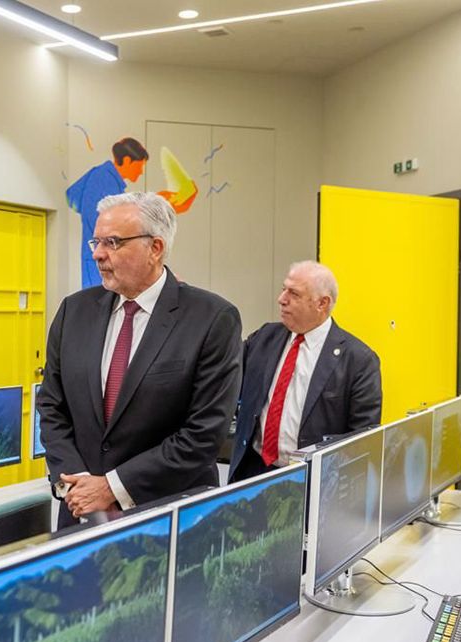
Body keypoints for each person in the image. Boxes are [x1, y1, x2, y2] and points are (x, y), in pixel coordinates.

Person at [38, 192, 242, 528]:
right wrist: (77, 482)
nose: (98, 254)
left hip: (168, 517)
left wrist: (112, 487)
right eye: (96, 242)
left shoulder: (211, 319)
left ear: (155, 248)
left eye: (113, 242)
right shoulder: (74, 312)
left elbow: (203, 434)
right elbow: (51, 406)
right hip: (81, 512)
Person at [228, 261, 382, 483]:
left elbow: (362, 440)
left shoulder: (358, 360)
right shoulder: (264, 338)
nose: (282, 299)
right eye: (284, 289)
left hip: (312, 480)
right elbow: (227, 380)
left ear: (322, 303)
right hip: (253, 470)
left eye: (294, 294)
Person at [66, 138, 149, 289]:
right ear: (127, 161)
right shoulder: (103, 180)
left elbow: (73, 196)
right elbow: (106, 226)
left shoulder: (104, 177)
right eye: (139, 166)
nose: (141, 171)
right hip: (101, 261)